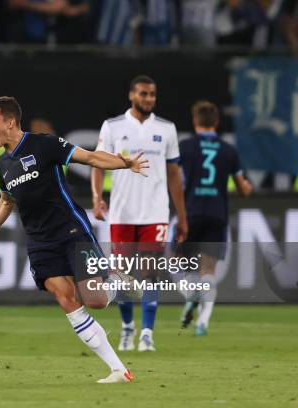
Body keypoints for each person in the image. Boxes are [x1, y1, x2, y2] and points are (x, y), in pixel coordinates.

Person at [0, 96, 149, 384]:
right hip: (39, 241)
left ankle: (114, 280)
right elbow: (6, 201)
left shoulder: (44, 144)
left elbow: (90, 157)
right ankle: (119, 370)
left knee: (95, 300)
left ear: (10, 121)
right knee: (65, 298)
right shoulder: (3, 164)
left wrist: (124, 163)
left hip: (71, 231)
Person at [91, 75, 187, 352]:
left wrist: (182, 214)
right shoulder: (113, 127)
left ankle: (146, 333)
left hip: (155, 212)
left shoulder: (167, 129)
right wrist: (98, 198)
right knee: (121, 275)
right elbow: (97, 164)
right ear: (131, 95)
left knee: (149, 274)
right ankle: (127, 329)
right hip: (122, 212)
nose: (148, 99)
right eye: (143, 94)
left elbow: (173, 174)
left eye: (152, 94)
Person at [178, 101, 252, 335]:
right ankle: (203, 322)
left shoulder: (185, 147)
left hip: (191, 213)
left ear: (195, 121)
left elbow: (173, 179)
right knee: (208, 270)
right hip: (216, 214)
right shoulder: (228, 151)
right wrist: (247, 187)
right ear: (217, 123)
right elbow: (243, 189)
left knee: (180, 263)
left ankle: (192, 296)